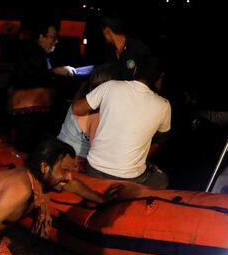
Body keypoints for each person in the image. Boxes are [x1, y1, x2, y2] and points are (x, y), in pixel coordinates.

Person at [72, 55, 171, 188]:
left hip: (94, 168)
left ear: (135, 70)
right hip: (131, 177)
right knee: (162, 180)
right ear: (159, 78)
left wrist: (85, 90)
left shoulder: (110, 87)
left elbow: (77, 109)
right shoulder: (163, 105)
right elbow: (163, 138)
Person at [9, 22, 77, 153]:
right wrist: (55, 71)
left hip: (35, 111)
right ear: (41, 37)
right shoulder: (31, 51)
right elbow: (29, 78)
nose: (56, 41)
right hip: (29, 111)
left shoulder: (40, 53)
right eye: (53, 37)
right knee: (27, 147)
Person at [56, 63, 119, 171]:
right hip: (71, 163)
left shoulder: (80, 98)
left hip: (57, 153)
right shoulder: (96, 113)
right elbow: (97, 154)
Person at [101, 15, 151, 80]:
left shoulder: (138, 48)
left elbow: (151, 75)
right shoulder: (109, 52)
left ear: (107, 29)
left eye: (102, 30)